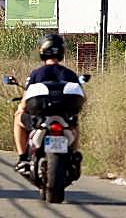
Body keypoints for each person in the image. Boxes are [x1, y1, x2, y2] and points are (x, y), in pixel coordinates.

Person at [14, 33, 82, 175]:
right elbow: (82, 98)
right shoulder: (70, 74)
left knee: (18, 117)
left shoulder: (36, 74)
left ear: (42, 51)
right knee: (74, 123)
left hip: (40, 120)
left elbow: (25, 102)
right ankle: (74, 154)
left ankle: (22, 158)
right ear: (61, 51)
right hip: (63, 119)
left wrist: (21, 108)